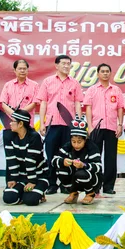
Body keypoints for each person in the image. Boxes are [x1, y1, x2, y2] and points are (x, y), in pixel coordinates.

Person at [36, 54, 83, 195]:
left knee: (67, 156)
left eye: (68, 63)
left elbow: (77, 103)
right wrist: (42, 123)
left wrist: (78, 123)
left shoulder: (74, 83)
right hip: (52, 124)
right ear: (56, 65)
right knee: (51, 155)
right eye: (63, 63)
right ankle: (51, 184)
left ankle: (65, 183)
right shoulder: (47, 82)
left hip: (68, 126)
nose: (66, 66)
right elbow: (43, 102)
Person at [84, 63, 124, 194]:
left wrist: (120, 124)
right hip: (96, 127)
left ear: (110, 73)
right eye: (103, 71)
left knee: (111, 157)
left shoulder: (116, 90)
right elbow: (88, 108)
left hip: (112, 127)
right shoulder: (92, 90)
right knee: (95, 158)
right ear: (98, 74)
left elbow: (120, 108)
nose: (105, 73)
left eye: (107, 71)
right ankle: (95, 186)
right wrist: (89, 126)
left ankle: (108, 186)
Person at [52, 116, 103, 205]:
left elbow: (98, 167)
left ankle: (90, 193)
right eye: (73, 141)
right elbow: (54, 161)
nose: (76, 145)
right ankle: (73, 192)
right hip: (74, 178)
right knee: (61, 170)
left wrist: (84, 165)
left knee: (81, 173)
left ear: (85, 140)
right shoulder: (68, 146)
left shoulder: (92, 147)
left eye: (79, 142)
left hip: (92, 179)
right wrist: (62, 161)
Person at [3, 109, 48, 206]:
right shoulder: (9, 136)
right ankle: (24, 192)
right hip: (22, 176)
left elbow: (30, 160)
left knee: (30, 201)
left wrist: (32, 181)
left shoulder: (34, 137)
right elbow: (11, 159)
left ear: (20, 124)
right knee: (9, 198)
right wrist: (13, 178)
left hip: (38, 175)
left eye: (13, 121)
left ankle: (38, 193)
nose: (10, 123)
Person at [0, 59, 40, 124]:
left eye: (24, 69)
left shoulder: (34, 85)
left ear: (27, 70)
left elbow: (34, 103)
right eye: (20, 69)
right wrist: (14, 114)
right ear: (15, 70)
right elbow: (3, 103)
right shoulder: (8, 85)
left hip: (27, 122)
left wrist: (20, 114)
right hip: (10, 122)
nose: (22, 71)